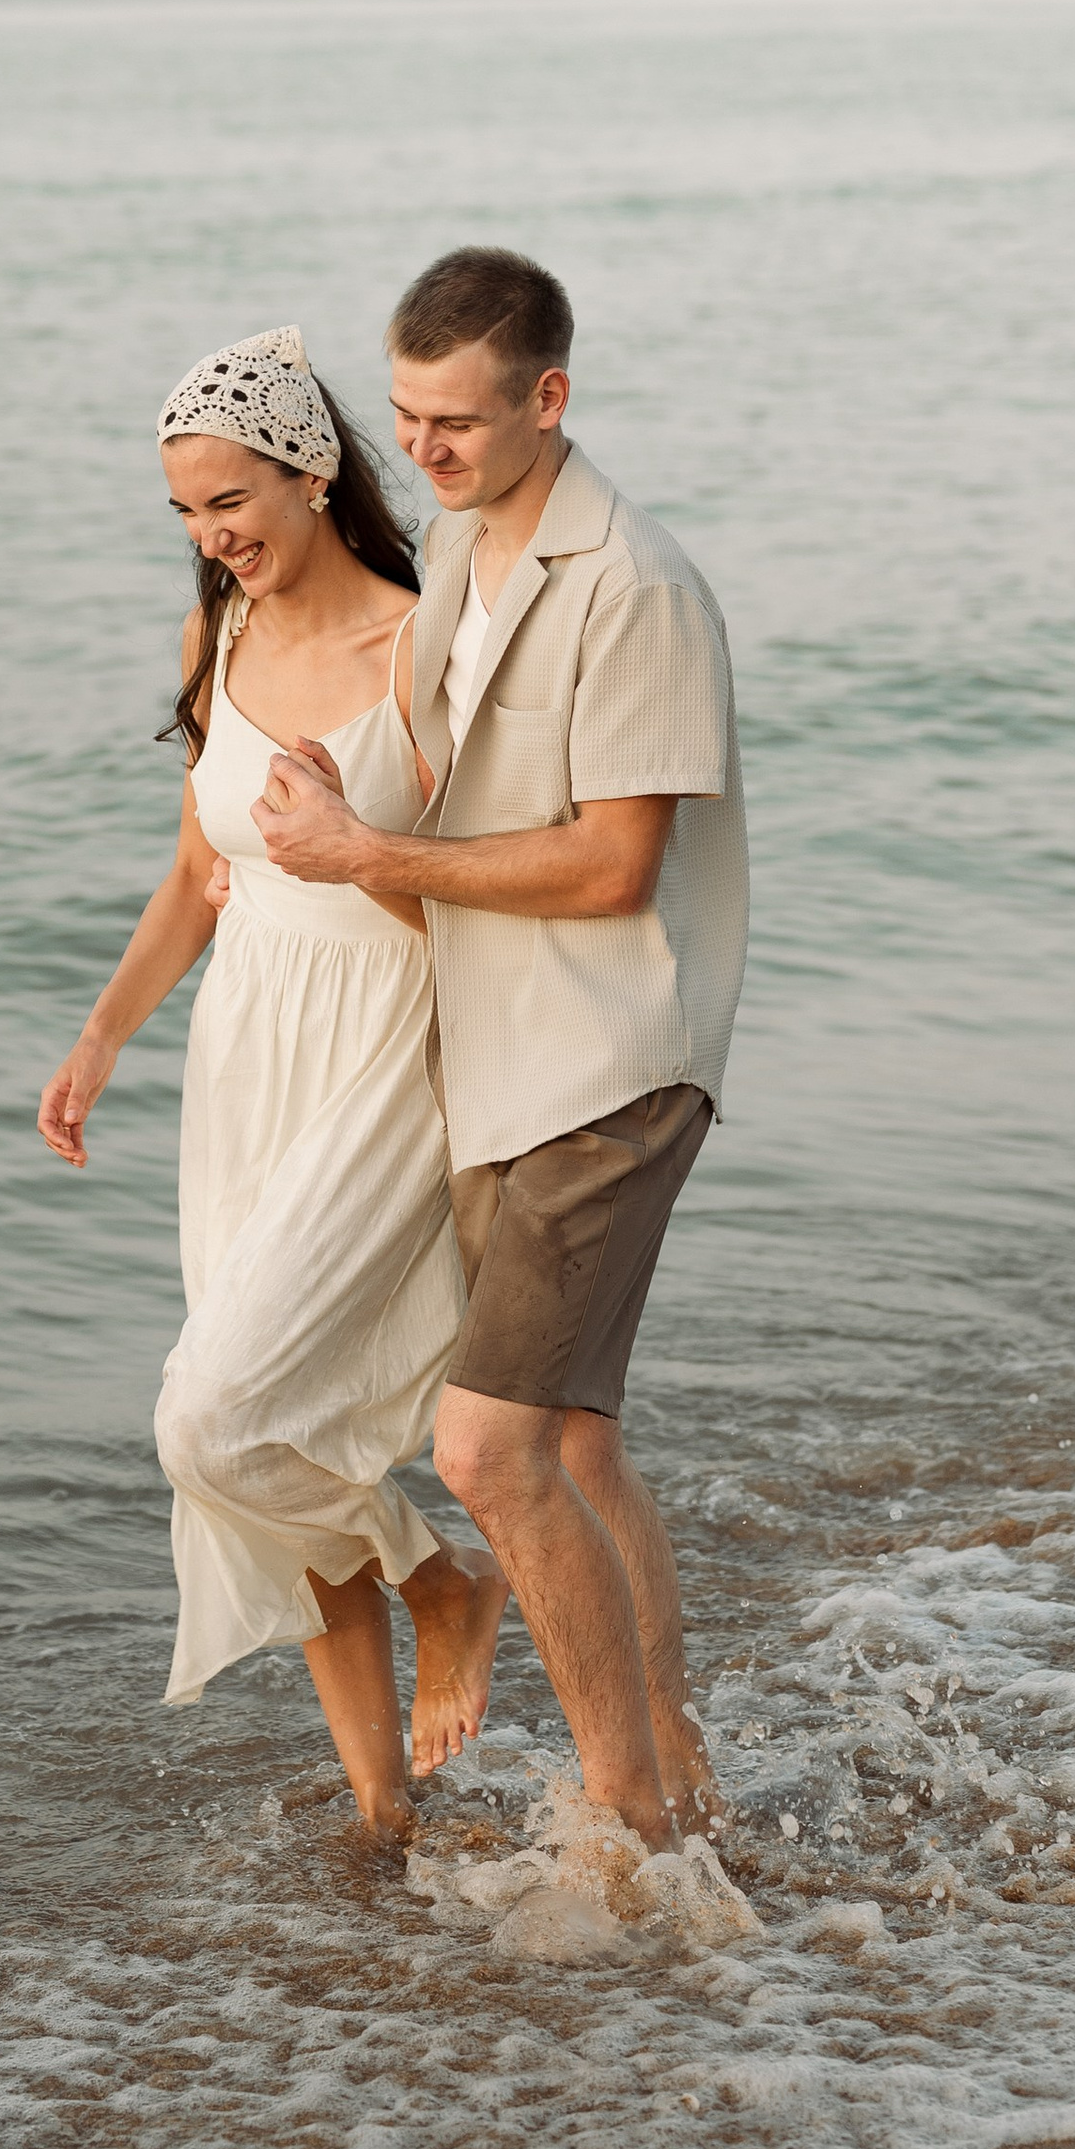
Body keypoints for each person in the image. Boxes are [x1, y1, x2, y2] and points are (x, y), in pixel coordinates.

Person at [252, 248, 749, 1857]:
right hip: (499, 1062)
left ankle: (628, 1834)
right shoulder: (465, 550)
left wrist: (362, 861)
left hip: (612, 1062)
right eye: (405, 421)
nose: (431, 454)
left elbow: (614, 868)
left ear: (550, 398)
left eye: (459, 421)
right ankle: (677, 1771)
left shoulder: (638, 586)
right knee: (577, 1441)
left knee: (486, 1451)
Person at [36, 325, 506, 1834]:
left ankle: (447, 1584)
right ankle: (383, 1821)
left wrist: (345, 841)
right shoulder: (217, 638)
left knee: (217, 1422)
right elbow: (195, 867)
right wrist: (105, 1036)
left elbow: (481, 913)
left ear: (312, 473)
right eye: (182, 512)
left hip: (388, 1045)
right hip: (248, 1048)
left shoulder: (426, 648)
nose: (209, 537)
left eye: (228, 502)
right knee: (267, 1443)